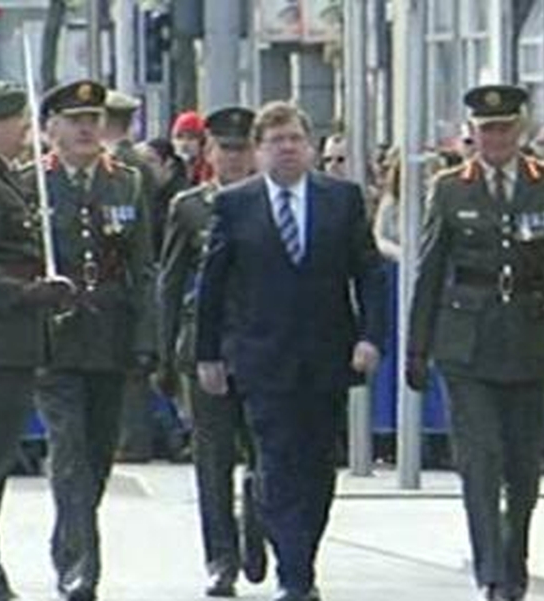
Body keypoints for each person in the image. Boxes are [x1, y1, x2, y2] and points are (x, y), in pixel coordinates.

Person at [195, 100, 385, 601]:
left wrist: (371, 337)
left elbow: (368, 272)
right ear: (259, 151)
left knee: (318, 464)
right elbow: (211, 285)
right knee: (277, 457)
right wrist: (207, 354)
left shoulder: (341, 200)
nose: (286, 149)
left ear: (311, 147)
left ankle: (295, 546)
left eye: (295, 140)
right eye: (275, 141)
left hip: (327, 353)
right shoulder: (236, 204)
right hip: (261, 356)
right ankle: (295, 574)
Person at [406, 84, 544, 601]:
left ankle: (515, 554)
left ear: (521, 130)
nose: (496, 138)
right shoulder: (450, 188)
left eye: (505, 128)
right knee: (480, 458)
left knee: (524, 462)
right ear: (473, 134)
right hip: (467, 340)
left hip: (530, 334)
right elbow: (429, 271)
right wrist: (417, 347)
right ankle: (491, 569)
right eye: (487, 130)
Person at [20, 80, 155, 601]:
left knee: (98, 454)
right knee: (70, 450)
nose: (85, 129)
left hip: (110, 336)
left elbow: (143, 268)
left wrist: (146, 337)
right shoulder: (31, 183)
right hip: (53, 340)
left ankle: (69, 540)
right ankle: (81, 568)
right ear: (50, 128)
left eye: (93, 119)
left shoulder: (127, 183)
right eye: (74, 120)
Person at [0, 81, 74, 601]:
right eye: (14, 120)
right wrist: (26, 295)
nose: (25, 129)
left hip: (15, 338)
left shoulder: (7, 176)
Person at [157, 106, 266, 597]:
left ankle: (258, 528)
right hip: (206, 350)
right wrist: (163, 353)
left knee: (267, 454)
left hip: (264, 349)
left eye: (242, 149)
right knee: (213, 457)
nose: (234, 159)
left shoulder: (273, 202)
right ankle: (220, 557)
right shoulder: (190, 206)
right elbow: (171, 280)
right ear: (208, 153)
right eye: (225, 149)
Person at [103, 89, 161, 464]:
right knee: (132, 372)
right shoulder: (141, 164)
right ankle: (131, 438)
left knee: (130, 374)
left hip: (123, 276)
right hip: (131, 274)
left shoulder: (126, 170)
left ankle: (131, 441)